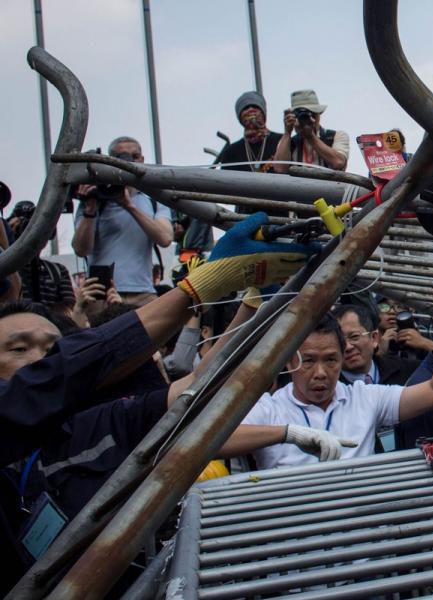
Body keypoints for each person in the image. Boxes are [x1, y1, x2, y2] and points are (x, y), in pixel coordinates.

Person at [0, 212, 313, 587]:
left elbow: (198, 385)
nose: (40, 361)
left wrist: (251, 300)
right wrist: (195, 290)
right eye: (19, 348)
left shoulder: (92, 426)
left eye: (53, 349)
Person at [221, 315, 433, 470]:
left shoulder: (364, 397)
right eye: (308, 361)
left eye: (331, 360)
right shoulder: (270, 408)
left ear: (343, 358)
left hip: (364, 543)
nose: (320, 372)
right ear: (289, 362)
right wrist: (287, 434)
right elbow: (216, 442)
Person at [71, 137, 173, 307]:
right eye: (121, 157)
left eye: (134, 156)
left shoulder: (154, 199)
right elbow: (81, 249)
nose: (129, 163)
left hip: (143, 292)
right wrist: (89, 212)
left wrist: (129, 206)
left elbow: (165, 239)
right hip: (101, 292)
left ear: (141, 160)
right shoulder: (94, 199)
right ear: (110, 162)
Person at [333, 304, 422, 387]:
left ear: (374, 338)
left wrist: (426, 344)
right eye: (339, 341)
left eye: (354, 337)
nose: (348, 347)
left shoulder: (406, 370)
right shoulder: (328, 387)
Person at [270, 89, 350, 172]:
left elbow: (339, 162)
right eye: (301, 116)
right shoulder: (288, 143)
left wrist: (310, 136)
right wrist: (287, 133)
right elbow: (280, 169)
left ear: (318, 115)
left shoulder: (337, 136)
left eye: (312, 114)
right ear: (294, 117)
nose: (305, 119)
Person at [217, 91, 284, 177]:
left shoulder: (282, 141)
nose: (251, 110)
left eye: (255, 106)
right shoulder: (231, 152)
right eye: (245, 108)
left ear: (263, 112)